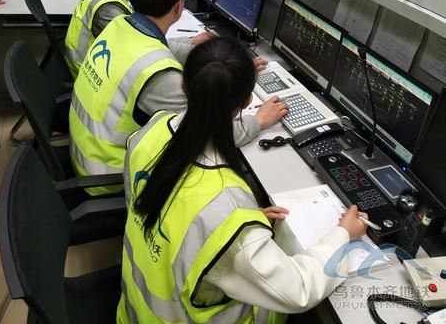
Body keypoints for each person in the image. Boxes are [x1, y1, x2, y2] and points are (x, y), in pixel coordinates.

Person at [117, 37, 368, 323]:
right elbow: (298, 290)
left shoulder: (150, 132)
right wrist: (344, 235)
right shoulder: (224, 206)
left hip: (134, 308)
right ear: (248, 101)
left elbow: (172, 208)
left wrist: (243, 224)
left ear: (183, 85)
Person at [69, 0, 287, 194]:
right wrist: (258, 121)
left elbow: (158, 46)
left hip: (84, 153)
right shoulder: (160, 77)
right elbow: (203, 135)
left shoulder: (119, 24)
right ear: (179, 6)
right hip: (112, 177)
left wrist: (231, 65)